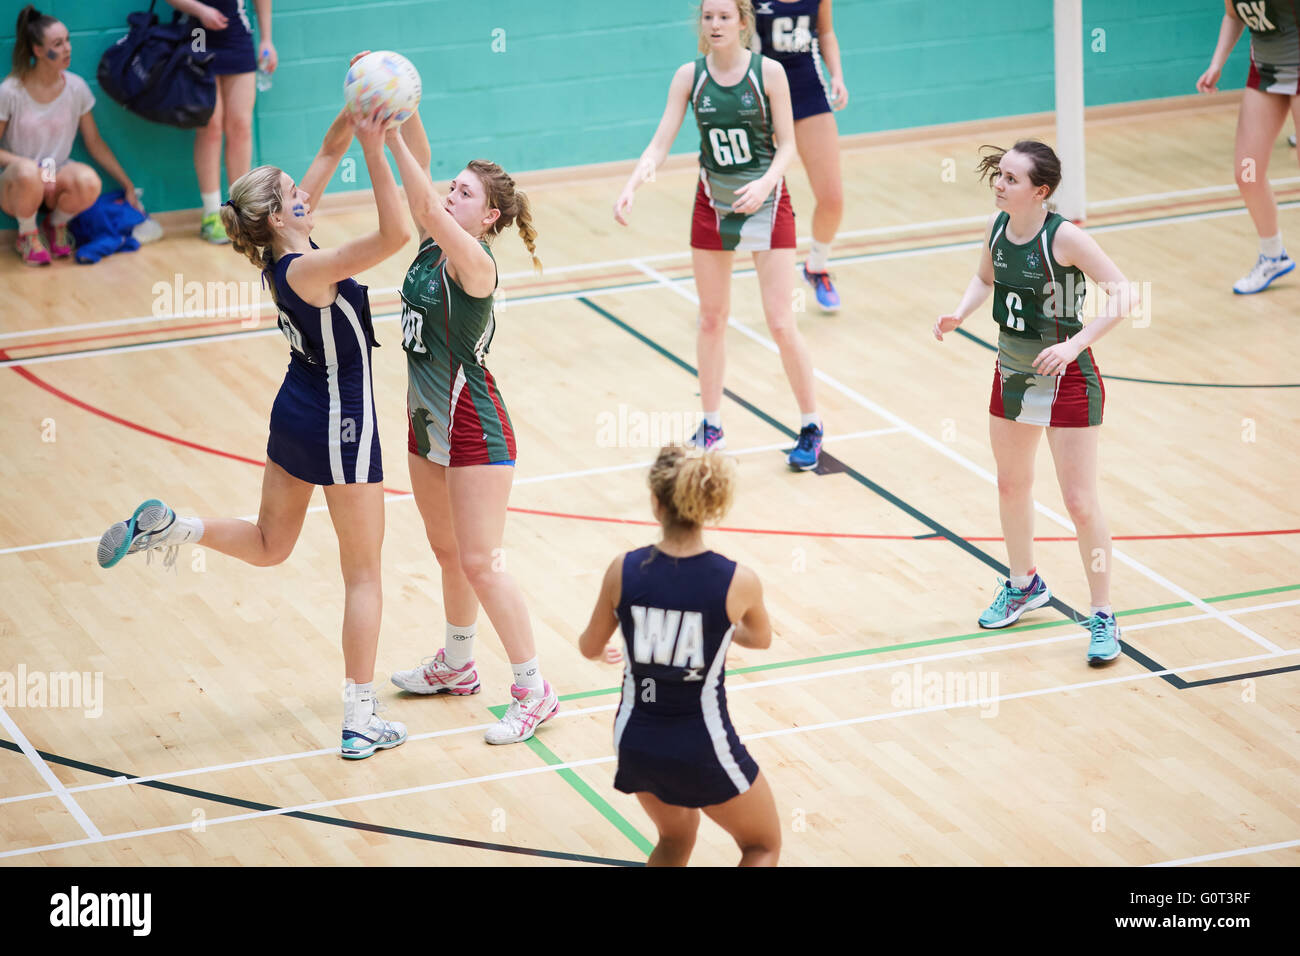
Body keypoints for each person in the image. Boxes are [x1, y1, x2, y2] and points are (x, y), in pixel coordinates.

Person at [96, 100, 413, 759]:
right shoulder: (309, 268)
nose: (307, 193)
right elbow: (395, 237)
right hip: (340, 420)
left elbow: (326, 155)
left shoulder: (288, 249)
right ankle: (359, 718)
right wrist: (379, 151)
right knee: (364, 576)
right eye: (296, 194)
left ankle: (174, 528)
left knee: (272, 544)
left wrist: (358, 109)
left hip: (296, 407)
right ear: (277, 215)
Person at [382, 104, 559, 746]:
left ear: (489, 217)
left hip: (473, 426)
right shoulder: (434, 245)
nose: (448, 194)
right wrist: (404, 113)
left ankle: (534, 690)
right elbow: (422, 177)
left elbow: (423, 201)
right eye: (452, 186)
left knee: (482, 562)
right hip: (423, 421)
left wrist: (384, 132)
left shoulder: (474, 263)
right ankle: (457, 664)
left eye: (465, 193)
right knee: (447, 552)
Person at [933, 141, 1138, 664]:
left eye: (1011, 178)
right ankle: (1024, 584)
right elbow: (985, 279)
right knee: (1011, 483)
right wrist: (960, 313)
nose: (999, 184)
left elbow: (1124, 293)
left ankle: (1102, 613)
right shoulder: (998, 227)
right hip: (1012, 373)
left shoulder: (1064, 237)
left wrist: (1074, 344)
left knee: (1078, 501)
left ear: (1040, 191)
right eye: (999, 175)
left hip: (1068, 378)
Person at [614, 0, 825, 470]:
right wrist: (633, 184)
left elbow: (788, 144)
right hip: (713, 204)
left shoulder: (768, 73)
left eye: (724, 16)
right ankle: (711, 424)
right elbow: (661, 140)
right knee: (711, 319)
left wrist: (766, 184)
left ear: (743, 22)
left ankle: (811, 424)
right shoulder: (689, 76)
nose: (715, 24)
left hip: (767, 204)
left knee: (779, 321)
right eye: (708, 17)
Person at [578, 445, 780, 867]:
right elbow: (760, 639)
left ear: (656, 502)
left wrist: (609, 652)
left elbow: (589, 647)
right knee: (761, 846)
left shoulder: (623, 568)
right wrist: (720, 626)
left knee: (674, 840)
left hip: (636, 738)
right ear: (710, 504)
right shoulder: (737, 580)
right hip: (701, 742)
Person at [0, 5, 143, 266]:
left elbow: (95, 143)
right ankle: (27, 235)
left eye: (67, 40)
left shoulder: (76, 88)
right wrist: (26, 165)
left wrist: (127, 183)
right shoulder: (10, 91)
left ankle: (56, 226)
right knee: (28, 172)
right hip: (19, 181)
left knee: (88, 181)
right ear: (38, 50)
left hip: (56, 176)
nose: (67, 48)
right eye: (58, 43)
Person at [752, 0, 848, 311]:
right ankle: (721, 293)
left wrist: (837, 76)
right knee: (760, 202)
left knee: (832, 198)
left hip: (808, 93)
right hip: (763, 95)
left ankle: (816, 267)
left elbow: (827, 33)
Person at [1196, 0, 1297, 293]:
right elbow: (1233, 15)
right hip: (1268, 73)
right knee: (1248, 172)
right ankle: (1272, 255)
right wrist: (1217, 64)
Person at [163, 1, 276, 243]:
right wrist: (201, 10)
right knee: (210, 128)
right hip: (198, 37)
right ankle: (212, 214)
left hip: (237, 37)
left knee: (240, 127)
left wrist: (266, 39)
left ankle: (241, 211)